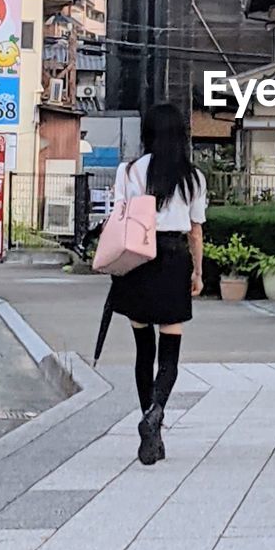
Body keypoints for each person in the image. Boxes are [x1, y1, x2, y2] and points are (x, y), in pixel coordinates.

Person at [106, 103, 206, 467]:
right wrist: (197, 273)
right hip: (175, 258)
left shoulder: (129, 171)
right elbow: (196, 230)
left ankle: (152, 423)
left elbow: (119, 217)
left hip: (138, 259)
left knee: (142, 349)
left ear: (147, 132)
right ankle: (157, 412)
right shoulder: (193, 177)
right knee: (171, 349)